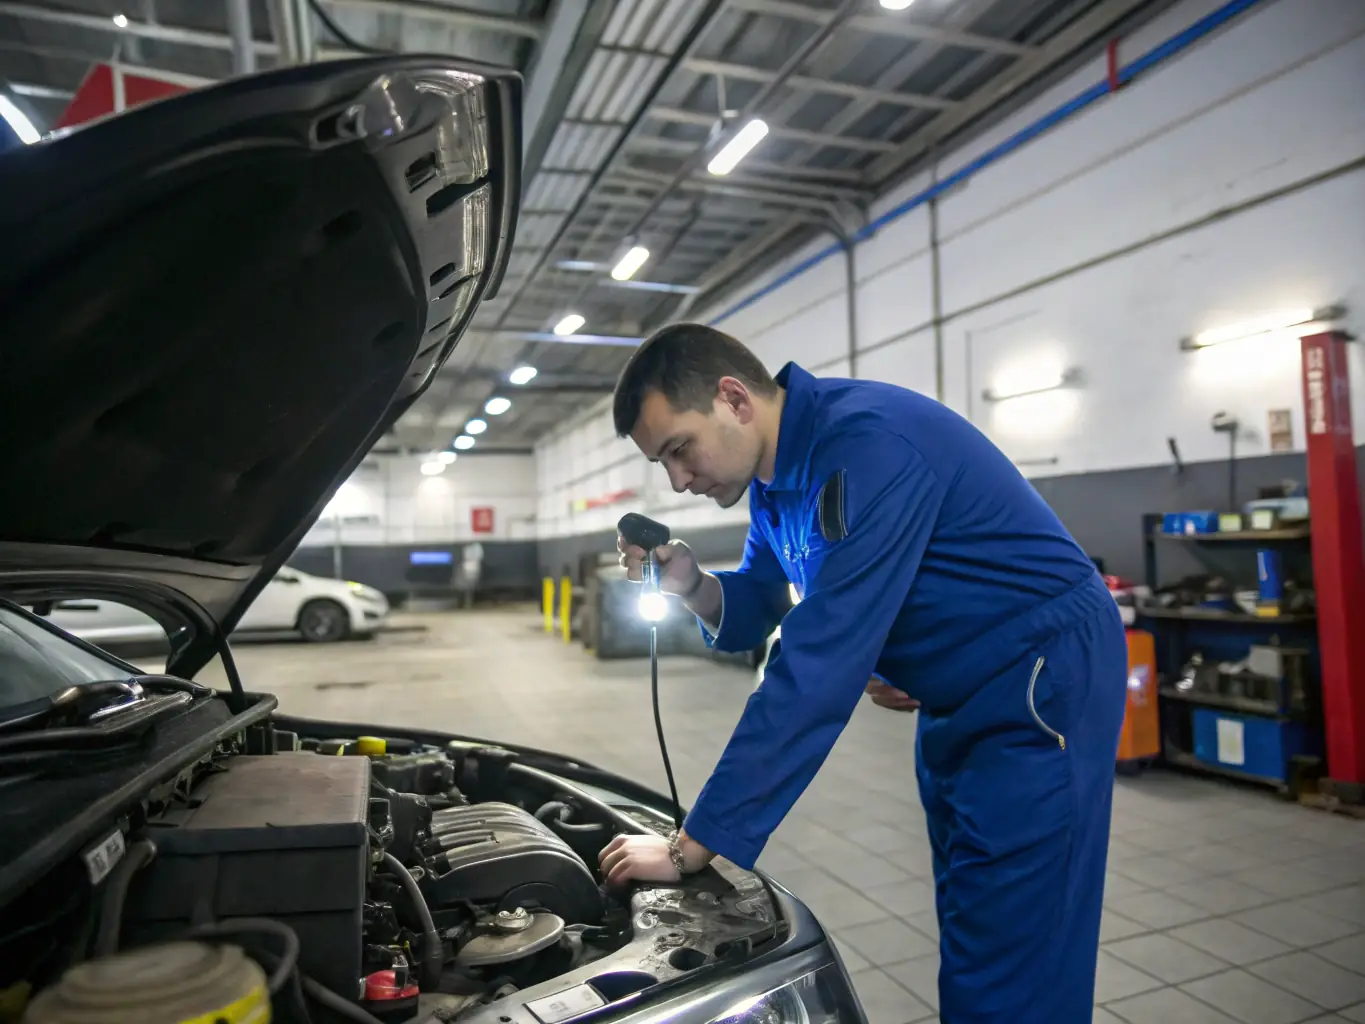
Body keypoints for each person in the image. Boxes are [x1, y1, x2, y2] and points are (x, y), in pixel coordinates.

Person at [599, 323, 1127, 1024]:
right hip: (957, 693)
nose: (678, 479)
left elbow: (815, 663)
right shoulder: (776, 481)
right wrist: (692, 583)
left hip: (1036, 681)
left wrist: (692, 843)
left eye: (678, 449)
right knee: (977, 917)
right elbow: (764, 598)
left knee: (1017, 946)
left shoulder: (868, 444)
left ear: (732, 399)